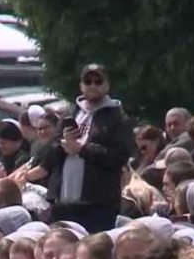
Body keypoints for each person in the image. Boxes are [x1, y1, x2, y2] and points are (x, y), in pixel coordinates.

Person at [41, 64, 131, 233]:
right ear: (81, 85)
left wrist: (82, 149)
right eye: (88, 81)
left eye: (98, 81)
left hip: (97, 204)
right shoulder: (70, 112)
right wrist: (63, 145)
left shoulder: (117, 117)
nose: (93, 86)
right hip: (63, 201)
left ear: (107, 85)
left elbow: (119, 156)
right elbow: (48, 155)